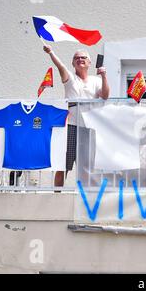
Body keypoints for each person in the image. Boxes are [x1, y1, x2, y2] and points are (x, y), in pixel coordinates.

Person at [43, 44, 110, 187]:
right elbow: (60, 66)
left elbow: (104, 95)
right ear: (72, 63)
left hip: (88, 128)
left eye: (83, 57)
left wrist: (104, 76)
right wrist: (51, 52)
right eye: (76, 58)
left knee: (87, 167)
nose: (80, 59)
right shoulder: (70, 78)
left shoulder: (96, 80)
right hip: (71, 127)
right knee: (63, 165)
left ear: (90, 62)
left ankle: (85, 198)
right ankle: (57, 196)